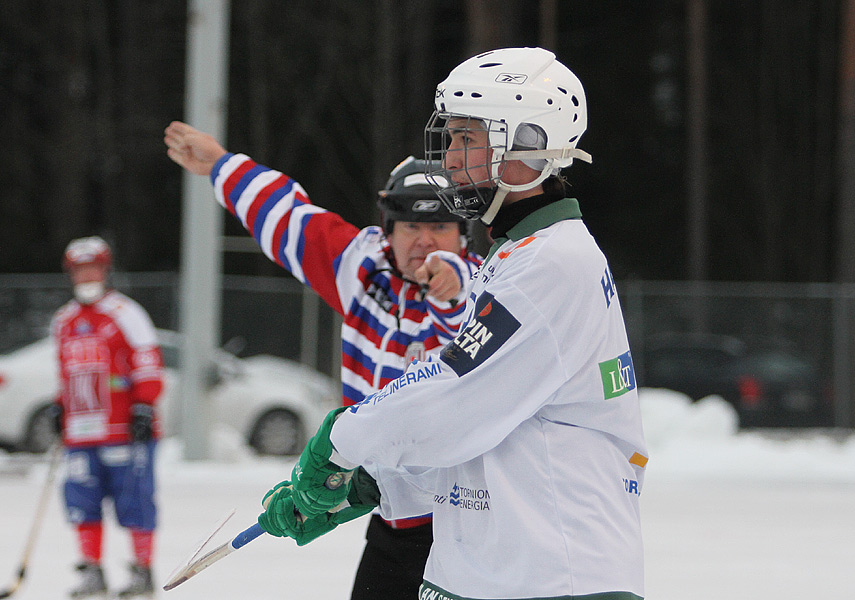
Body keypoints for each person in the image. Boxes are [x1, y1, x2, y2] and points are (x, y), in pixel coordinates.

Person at [255, 47, 648, 600]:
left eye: (468, 138)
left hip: (551, 578)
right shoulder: (520, 256)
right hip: (501, 571)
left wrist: (341, 441)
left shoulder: (552, 265)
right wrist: (373, 486)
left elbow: (455, 393)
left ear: (528, 145)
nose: (451, 159)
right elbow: (494, 431)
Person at [163, 124, 482, 600]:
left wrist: (454, 288)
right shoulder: (361, 269)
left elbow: (463, 332)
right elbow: (290, 220)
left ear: (462, 236)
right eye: (412, 227)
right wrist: (220, 165)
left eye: (440, 227)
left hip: (466, 527)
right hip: (392, 523)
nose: (425, 242)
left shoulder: (485, 290)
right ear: (388, 231)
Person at [51, 236, 164, 599]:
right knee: (81, 500)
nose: (87, 275)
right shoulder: (64, 320)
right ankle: (92, 570)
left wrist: (144, 405)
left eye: (93, 267)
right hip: (82, 430)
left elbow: (148, 360)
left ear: (106, 269)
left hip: (123, 429)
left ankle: (142, 570)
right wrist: (59, 406)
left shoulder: (125, 312)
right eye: (80, 269)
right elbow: (66, 372)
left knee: (134, 499)